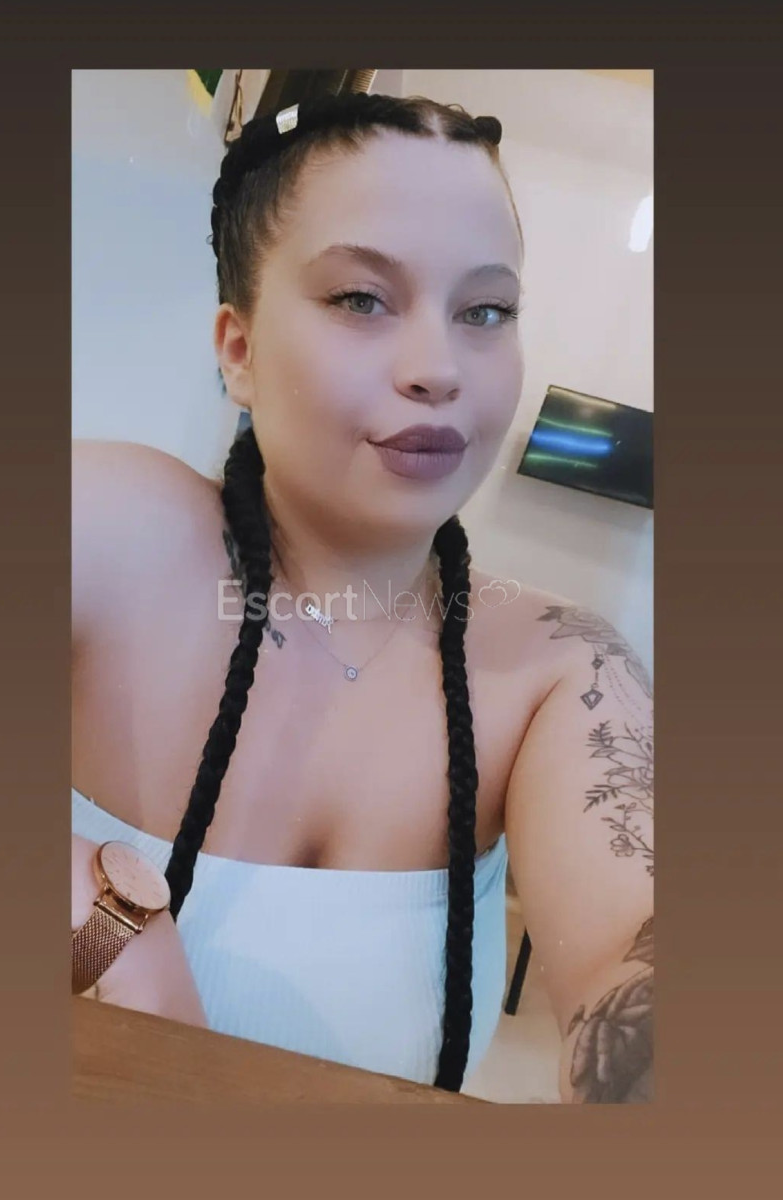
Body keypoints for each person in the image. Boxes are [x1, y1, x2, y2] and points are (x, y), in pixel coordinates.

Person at [71, 90, 653, 1101]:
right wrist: (101, 920)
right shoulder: (109, 525)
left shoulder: (559, 671)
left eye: (484, 311)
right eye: (360, 299)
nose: (438, 369)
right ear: (238, 350)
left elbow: (633, 951)